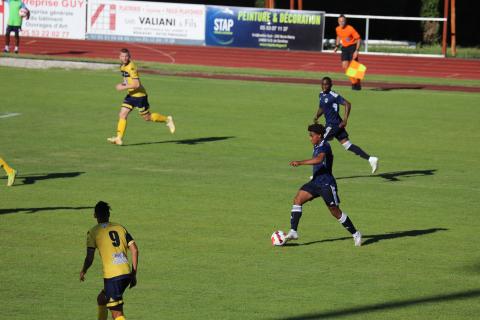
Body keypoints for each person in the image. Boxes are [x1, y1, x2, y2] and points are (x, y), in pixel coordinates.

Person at [285, 124, 362, 246]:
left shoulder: (325, 145)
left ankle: (355, 233)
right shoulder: (317, 145)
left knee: (335, 211)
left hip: (327, 184)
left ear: (319, 135)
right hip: (316, 182)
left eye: (312, 135)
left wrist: (300, 162)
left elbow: (319, 160)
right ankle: (293, 231)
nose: (310, 138)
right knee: (297, 199)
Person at [80, 201, 139, 320]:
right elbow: (135, 250)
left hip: (113, 277)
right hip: (125, 273)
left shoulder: (93, 232)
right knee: (102, 299)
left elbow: (89, 257)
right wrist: (133, 274)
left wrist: (84, 270)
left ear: (95, 215)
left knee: (117, 314)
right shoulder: (120, 228)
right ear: (108, 214)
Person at [108, 48, 175, 145]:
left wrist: (123, 87)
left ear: (129, 56)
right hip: (131, 95)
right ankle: (118, 138)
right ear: (119, 57)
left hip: (140, 96)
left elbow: (136, 84)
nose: (124, 58)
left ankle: (167, 119)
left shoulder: (131, 67)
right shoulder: (122, 66)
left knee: (147, 118)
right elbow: (128, 80)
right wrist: (122, 84)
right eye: (122, 56)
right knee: (122, 114)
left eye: (126, 56)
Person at [313, 76, 378, 173]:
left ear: (331, 85)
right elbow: (322, 108)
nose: (324, 86)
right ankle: (371, 159)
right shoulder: (321, 95)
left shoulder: (333, 95)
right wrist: (316, 116)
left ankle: (318, 173)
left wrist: (345, 120)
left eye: (326, 84)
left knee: (318, 143)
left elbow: (348, 104)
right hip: (335, 125)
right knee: (347, 145)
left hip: (333, 125)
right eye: (323, 84)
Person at [334, 14, 362, 90]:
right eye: (340, 21)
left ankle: (357, 83)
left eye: (343, 21)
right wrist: (337, 46)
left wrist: (356, 51)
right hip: (344, 48)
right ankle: (354, 83)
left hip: (352, 47)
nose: (341, 23)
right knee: (345, 66)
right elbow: (338, 36)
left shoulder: (350, 29)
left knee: (354, 67)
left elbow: (359, 39)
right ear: (338, 22)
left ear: (345, 21)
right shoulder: (337, 29)